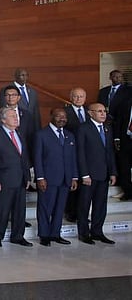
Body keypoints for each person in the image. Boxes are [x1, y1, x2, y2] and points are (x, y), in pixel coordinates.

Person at [0, 107, 32, 247]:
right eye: (12, 116)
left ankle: (18, 236)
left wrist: (27, 177)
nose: (16, 118)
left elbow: (23, 157)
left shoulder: (19, 133)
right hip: (3, 180)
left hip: (20, 179)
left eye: (16, 115)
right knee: (2, 211)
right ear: (3, 120)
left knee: (20, 211)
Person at [34, 108, 77, 246]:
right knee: (45, 208)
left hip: (65, 179)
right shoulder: (41, 134)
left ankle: (55, 234)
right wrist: (40, 177)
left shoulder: (69, 135)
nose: (62, 119)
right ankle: (44, 235)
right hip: (48, 179)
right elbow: (37, 158)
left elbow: (73, 158)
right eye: (58, 116)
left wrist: (74, 177)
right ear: (51, 116)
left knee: (60, 208)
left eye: (64, 117)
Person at [75, 103, 117, 245]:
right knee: (84, 205)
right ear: (90, 113)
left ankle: (97, 232)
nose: (103, 114)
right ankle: (84, 233)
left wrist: (112, 172)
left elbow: (110, 152)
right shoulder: (83, 128)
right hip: (89, 175)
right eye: (99, 111)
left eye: (104, 111)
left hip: (104, 174)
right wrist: (84, 174)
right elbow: (80, 153)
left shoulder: (107, 128)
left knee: (100, 205)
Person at [63, 87, 88, 222]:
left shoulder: (90, 111)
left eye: (81, 96)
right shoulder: (65, 112)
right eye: (76, 96)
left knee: (84, 187)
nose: (78, 99)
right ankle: (70, 212)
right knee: (72, 184)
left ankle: (82, 213)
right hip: (71, 152)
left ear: (85, 98)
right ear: (71, 97)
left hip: (87, 153)